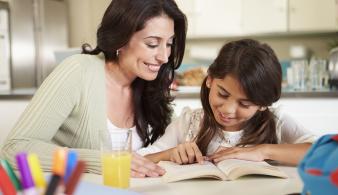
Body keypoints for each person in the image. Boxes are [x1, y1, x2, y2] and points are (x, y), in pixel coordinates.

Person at [1, 0, 187, 177]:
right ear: (121, 39)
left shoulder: (151, 85)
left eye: (169, 44)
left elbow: (170, 140)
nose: (164, 56)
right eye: (152, 44)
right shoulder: (78, 71)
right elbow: (14, 149)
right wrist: (101, 161)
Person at [138, 39, 316, 166]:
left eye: (245, 104)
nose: (229, 110)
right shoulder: (190, 122)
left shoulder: (276, 122)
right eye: (222, 94)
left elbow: (327, 152)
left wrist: (263, 151)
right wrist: (169, 154)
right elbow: (139, 159)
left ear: (263, 104)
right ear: (210, 80)